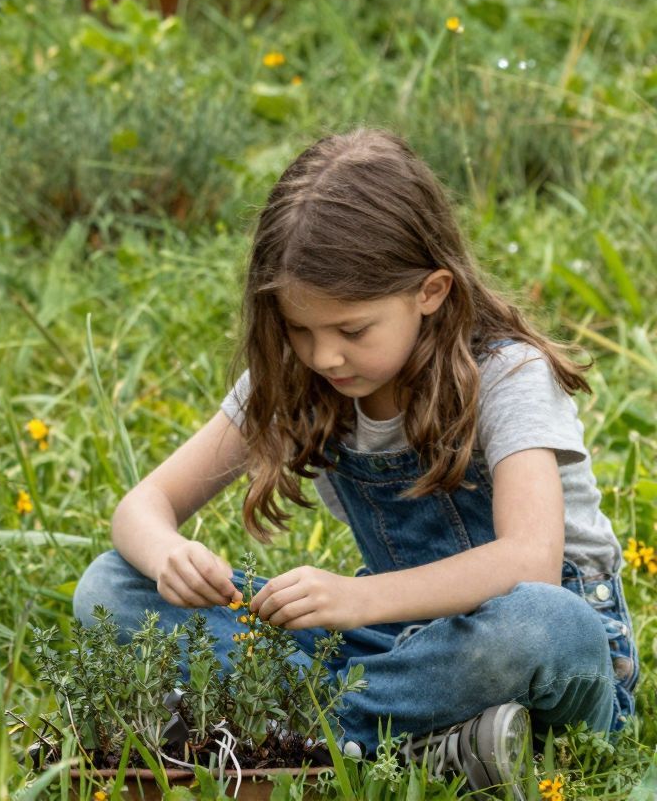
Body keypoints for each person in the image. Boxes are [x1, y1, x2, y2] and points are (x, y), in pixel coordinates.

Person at [72, 131, 639, 796]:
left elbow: (530, 563)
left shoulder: (508, 374)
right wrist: (167, 553)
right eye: (300, 330)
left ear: (429, 291)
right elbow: (141, 509)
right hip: (393, 653)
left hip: (530, 664)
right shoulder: (297, 382)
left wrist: (356, 596)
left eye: (352, 331)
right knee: (111, 588)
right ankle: (428, 747)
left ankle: (301, 746)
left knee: (546, 623)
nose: (324, 357)